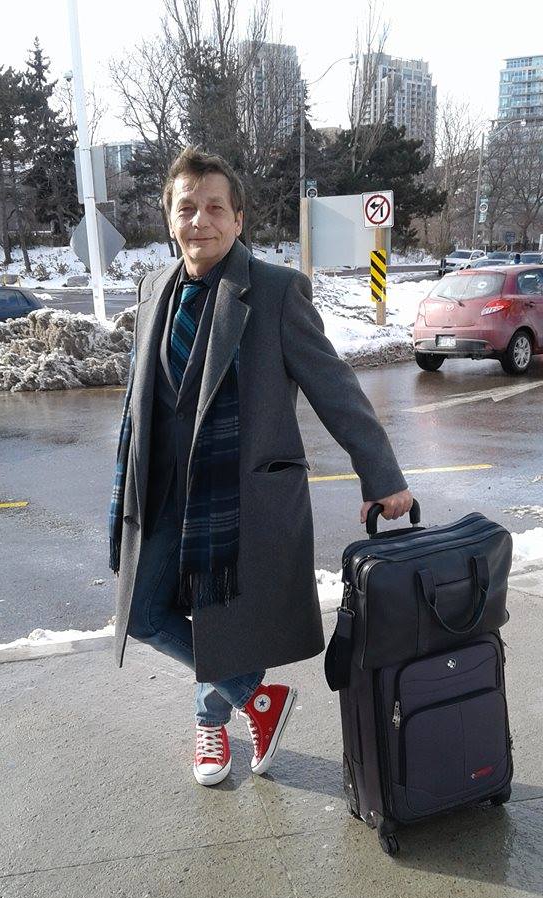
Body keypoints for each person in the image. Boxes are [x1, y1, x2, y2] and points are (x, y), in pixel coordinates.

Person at [109, 147, 413, 787]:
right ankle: (258, 697)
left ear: (239, 218)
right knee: (140, 612)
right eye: (186, 208)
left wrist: (381, 475)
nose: (200, 221)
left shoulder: (274, 292)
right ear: (169, 219)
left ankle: (212, 725)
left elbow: (335, 387)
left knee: (224, 623)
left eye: (215, 207)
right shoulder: (153, 289)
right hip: (163, 493)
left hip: (240, 499)